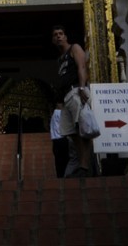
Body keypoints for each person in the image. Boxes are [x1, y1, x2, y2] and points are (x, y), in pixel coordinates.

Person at [51, 25, 93, 178]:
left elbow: (82, 67)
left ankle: (84, 167)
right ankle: (81, 164)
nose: (58, 36)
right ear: (53, 40)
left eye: (61, 33)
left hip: (76, 91)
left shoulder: (74, 48)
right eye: (55, 35)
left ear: (66, 36)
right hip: (66, 97)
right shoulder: (60, 59)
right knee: (71, 133)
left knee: (83, 129)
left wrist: (82, 88)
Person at [49, 101, 69, 178]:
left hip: (56, 141)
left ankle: (60, 177)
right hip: (62, 140)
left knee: (58, 162)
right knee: (65, 160)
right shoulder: (59, 113)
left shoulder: (54, 115)